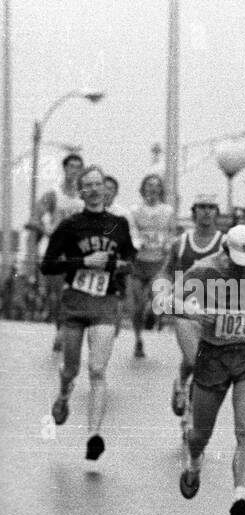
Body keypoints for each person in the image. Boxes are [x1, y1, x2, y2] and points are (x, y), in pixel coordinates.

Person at [176, 225, 245, 515]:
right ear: (225, 250)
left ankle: (239, 498)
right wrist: (195, 312)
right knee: (200, 435)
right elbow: (169, 303)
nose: (241, 267)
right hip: (213, 356)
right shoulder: (204, 269)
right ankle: (194, 461)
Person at [41, 165, 136, 461]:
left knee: (97, 369)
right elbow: (48, 264)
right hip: (75, 303)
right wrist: (83, 261)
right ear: (82, 191)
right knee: (71, 369)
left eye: (100, 184)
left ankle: (94, 435)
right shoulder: (70, 225)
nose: (95, 190)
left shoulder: (118, 224)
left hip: (105, 303)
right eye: (89, 185)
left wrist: (118, 265)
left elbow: (130, 257)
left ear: (107, 190)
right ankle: (64, 395)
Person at [158, 194, 223, 439]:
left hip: (215, 313)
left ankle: (181, 384)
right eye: (202, 208)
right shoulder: (181, 243)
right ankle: (189, 418)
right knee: (199, 362)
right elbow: (165, 272)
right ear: (194, 212)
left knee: (196, 362)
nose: (206, 212)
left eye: (211, 207)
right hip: (185, 310)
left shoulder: (225, 243)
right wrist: (162, 291)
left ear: (217, 212)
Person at [28, 153, 85, 351]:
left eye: (78, 167)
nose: (74, 170)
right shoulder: (53, 195)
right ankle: (59, 330)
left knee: (75, 293)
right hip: (57, 250)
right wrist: (47, 230)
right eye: (71, 166)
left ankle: (66, 331)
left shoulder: (85, 195)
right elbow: (35, 217)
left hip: (79, 251)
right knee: (57, 295)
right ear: (65, 168)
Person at [126, 173, 177, 358]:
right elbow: (131, 231)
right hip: (139, 262)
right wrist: (137, 241)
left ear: (161, 190)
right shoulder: (134, 210)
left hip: (159, 262)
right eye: (149, 185)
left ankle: (153, 314)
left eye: (156, 185)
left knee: (158, 299)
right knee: (138, 306)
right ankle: (138, 339)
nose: (152, 188)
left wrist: (167, 244)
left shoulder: (168, 211)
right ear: (143, 188)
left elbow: (172, 233)